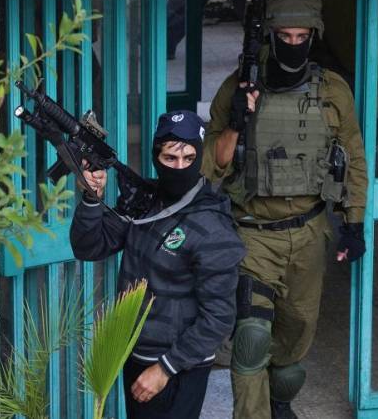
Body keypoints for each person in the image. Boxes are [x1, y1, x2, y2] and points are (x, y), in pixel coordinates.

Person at [202, 0, 368, 419]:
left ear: (313, 37)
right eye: (284, 36)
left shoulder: (332, 91)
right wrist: (237, 123)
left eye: (301, 37)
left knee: (294, 344)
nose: (293, 44)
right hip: (253, 234)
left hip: (309, 233)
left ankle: (279, 403)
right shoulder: (238, 88)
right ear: (270, 35)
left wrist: (354, 222)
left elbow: (353, 157)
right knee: (251, 337)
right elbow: (209, 167)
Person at [70, 110, 246, 419]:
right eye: (170, 158)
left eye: (189, 158)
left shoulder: (212, 226)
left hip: (179, 366)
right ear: (156, 157)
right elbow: (89, 247)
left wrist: (165, 368)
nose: (179, 167)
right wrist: (91, 199)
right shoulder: (146, 202)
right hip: (134, 351)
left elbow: (219, 317)